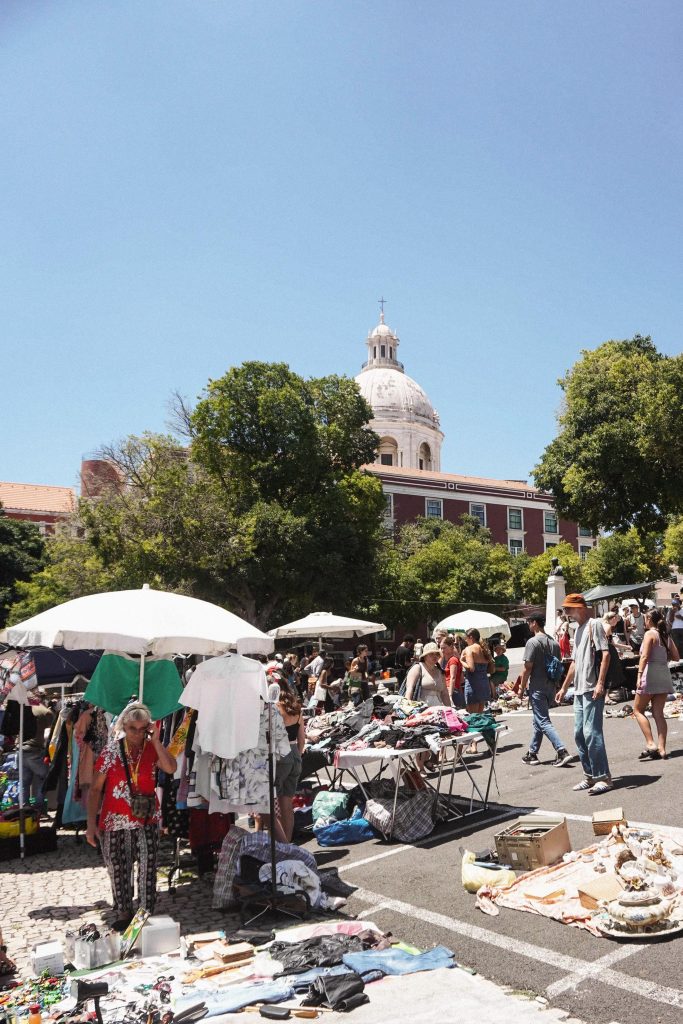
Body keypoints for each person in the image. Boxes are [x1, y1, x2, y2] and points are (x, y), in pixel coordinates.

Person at [86, 703, 177, 930]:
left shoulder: (152, 748)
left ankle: (145, 913)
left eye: (141, 728)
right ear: (123, 726)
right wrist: (90, 824)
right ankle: (123, 912)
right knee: (118, 869)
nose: (137, 733)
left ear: (148, 727)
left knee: (148, 869)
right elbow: (96, 789)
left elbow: (171, 768)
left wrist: (156, 740)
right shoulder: (111, 751)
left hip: (147, 820)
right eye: (132, 728)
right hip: (114, 821)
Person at [556, 595, 612, 795]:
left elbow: (605, 654)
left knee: (591, 733)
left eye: (569, 609)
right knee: (579, 734)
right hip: (579, 689)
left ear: (580, 608)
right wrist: (564, 688)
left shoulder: (594, 624)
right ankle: (590, 775)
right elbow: (574, 662)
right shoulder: (577, 630)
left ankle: (603, 777)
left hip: (591, 687)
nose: (566, 612)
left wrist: (600, 683)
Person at [520, 613, 572, 767]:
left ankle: (561, 750)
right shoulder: (553, 642)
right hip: (550, 686)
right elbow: (558, 665)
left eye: (529, 621)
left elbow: (527, 668)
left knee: (543, 721)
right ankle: (532, 753)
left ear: (535, 623)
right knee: (538, 720)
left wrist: (521, 688)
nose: (529, 625)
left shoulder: (532, 642)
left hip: (538, 686)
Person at [633, 609, 679, 760]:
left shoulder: (649, 634)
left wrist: (639, 675)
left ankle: (650, 743)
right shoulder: (666, 636)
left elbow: (644, 656)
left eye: (646, 619)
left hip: (649, 673)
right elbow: (676, 656)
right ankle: (662, 749)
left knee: (638, 710)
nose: (645, 622)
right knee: (658, 714)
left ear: (649, 620)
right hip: (663, 674)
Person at [274, 683, 305, 841]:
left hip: (281, 753)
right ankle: (288, 840)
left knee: (275, 804)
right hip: (294, 755)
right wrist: (297, 756)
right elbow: (301, 739)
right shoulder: (296, 708)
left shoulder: (275, 708)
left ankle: (281, 843)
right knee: (287, 803)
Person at [461, 629, 494, 754]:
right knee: (480, 717)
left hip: (473, 684)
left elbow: (471, 668)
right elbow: (492, 669)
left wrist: (461, 660)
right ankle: (490, 744)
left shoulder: (469, 649)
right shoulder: (484, 649)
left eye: (466, 638)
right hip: (484, 683)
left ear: (470, 637)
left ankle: (473, 746)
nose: (465, 640)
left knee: (472, 718)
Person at [405, 642, 452, 706]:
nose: (435, 656)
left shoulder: (440, 672)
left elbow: (444, 693)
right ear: (424, 656)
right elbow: (409, 688)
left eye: (437, 654)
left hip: (437, 710)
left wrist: (450, 709)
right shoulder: (418, 668)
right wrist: (406, 707)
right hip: (420, 710)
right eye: (431, 654)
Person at [440, 635, 464, 708]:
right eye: (441, 648)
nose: (442, 650)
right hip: (451, 690)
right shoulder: (446, 660)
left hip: (452, 691)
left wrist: (449, 695)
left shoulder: (453, 660)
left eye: (444, 648)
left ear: (451, 647)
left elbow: (453, 677)